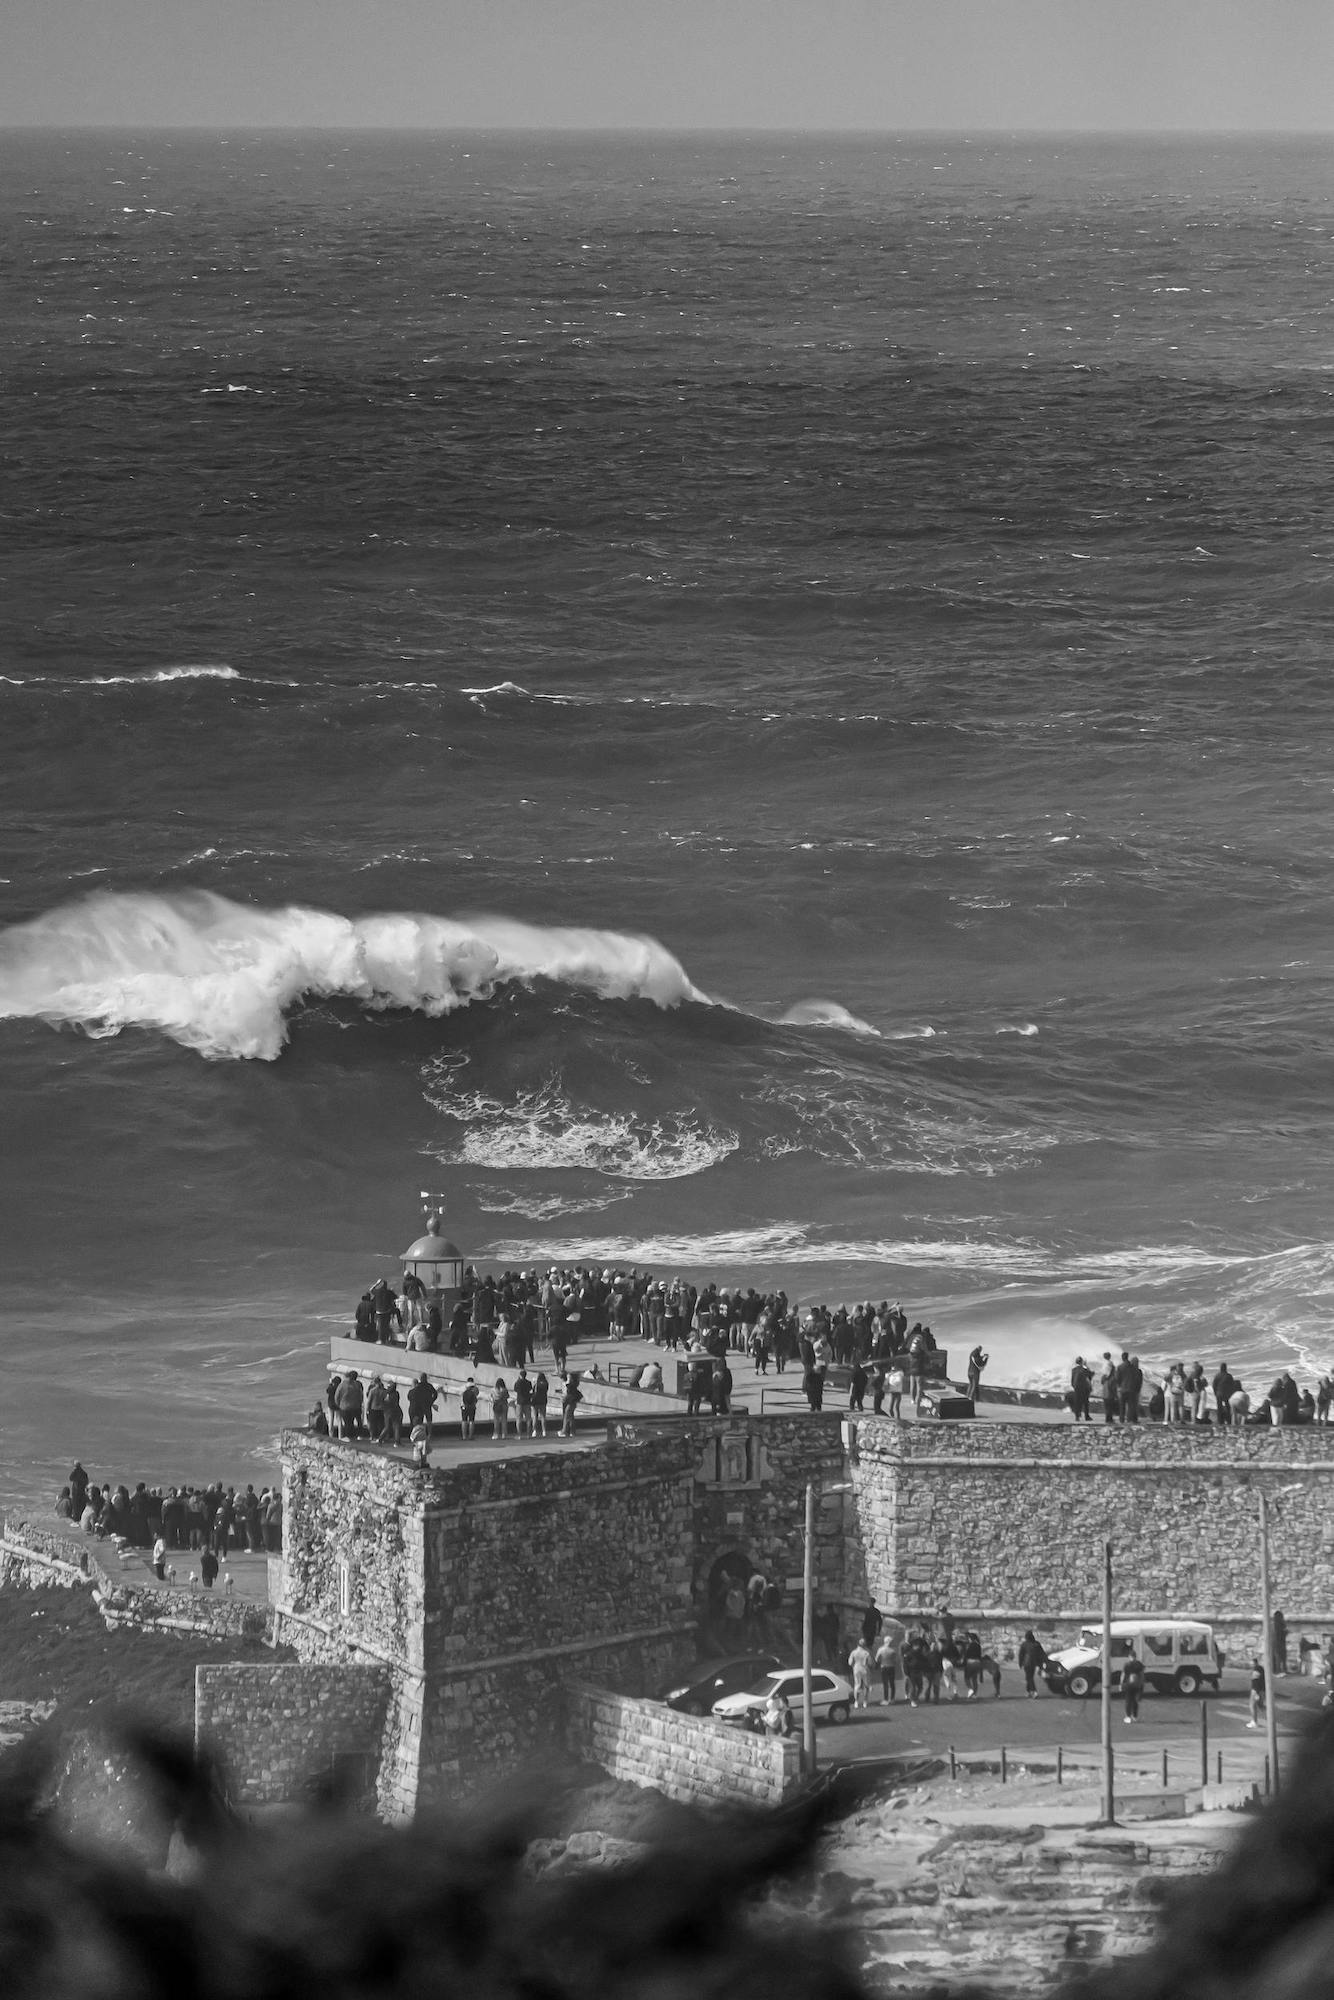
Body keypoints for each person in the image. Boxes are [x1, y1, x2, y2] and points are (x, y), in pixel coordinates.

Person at [1018, 1629, 1047, 1698]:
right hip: (1033, 1663)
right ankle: (1029, 1692)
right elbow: (1042, 1654)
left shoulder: (1024, 1644)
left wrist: (1020, 1663)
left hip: (1027, 1663)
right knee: (1029, 1677)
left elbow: (1021, 1655)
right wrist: (1041, 1664)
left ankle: (1034, 1691)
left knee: (1029, 1678)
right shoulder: (1037, 1644)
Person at [874, 1631, 899, 1704]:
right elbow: (895, 1661)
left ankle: (885, 1699)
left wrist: (876, 1666)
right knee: (892, 1684)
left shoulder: (880, 1649)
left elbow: (877, 1659)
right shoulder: (892, 1650)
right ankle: (892, 1699)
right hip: (891, 1667)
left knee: (885, 1684)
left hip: (883, 1667)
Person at [848, 1640, 872, 1710]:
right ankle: (865, 1702)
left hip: (856, 1669)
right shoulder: (866, 1653)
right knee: (866, 1685)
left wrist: (854, 1665)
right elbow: (870, 1663)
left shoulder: (854, 1652)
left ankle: (856, 1702)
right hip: (865, 1669)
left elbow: (850, 1662)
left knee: (857, 1685)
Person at [1122, 1652, 1145, 1723]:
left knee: (1128, 1701)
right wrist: (1142, 1684)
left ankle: (1128, 1717)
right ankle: (1135, 1717)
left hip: (1128, 1685)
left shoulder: (1127, 1664)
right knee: (1135, 1701)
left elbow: (1123, 1675)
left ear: (1129, 1656)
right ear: (1135, 1656)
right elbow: (1142, 1675)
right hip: (1137, 1685)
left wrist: (1121, 1684)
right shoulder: (1139, 1664)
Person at [560, 1372, 583, 1438]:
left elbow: (568, 1392)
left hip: (571, 1402)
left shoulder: (570, 1386)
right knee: (571, 1417)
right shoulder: (573, 1385)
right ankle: (571, 1431)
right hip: (572, 1402)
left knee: (567, 1416)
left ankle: (564, 1431)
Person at [1248, 1657, 1267, 1728]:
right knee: (1260, 1706)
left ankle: (1254, 1722)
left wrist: (1256, 1692)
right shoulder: (1259, 1669)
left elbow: (1256, 1682)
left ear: (1255, 1663)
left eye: (1252, 1663)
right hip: (1260, 1690)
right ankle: (1270, 1717)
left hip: (1256, 1690)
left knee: (1252, 1705)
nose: (1251, 1665)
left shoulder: (1257, 1669)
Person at [532, 1369, 550, 1438]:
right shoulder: (546, 1383)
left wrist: (534, 1382)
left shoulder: (536, 1384)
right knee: (543, 1417)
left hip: (535, 1402)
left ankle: (534, 1431)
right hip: (543, 1401)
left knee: (535, 1417)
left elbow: (533, 1391)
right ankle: (544, 1431)